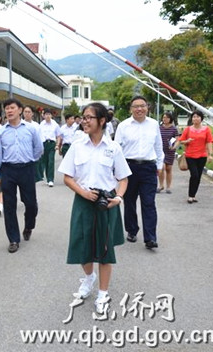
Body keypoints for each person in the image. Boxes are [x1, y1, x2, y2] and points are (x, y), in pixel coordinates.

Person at [58, 102, 130, 314]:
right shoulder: (77, 146)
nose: (84, 121)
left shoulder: (113, 148)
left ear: (102, 121)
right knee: (83, 248)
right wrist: (83, 193)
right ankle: (89, 278)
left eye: (89, 117)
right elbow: (68, 177)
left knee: (105, 251)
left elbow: (123, 178)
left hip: (106, 203)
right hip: (83, 201)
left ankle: (102, 293)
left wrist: (118, 198)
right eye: (83, 117)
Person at [0, 98, 43, 253]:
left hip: (26, 169)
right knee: (9, 206)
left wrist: (31, 160)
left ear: (20, 110)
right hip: (8, 170)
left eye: (12, 107)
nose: (9, 110)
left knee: (31, 204)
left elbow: (38, 148)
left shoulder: (31, 129)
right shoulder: (1, 132)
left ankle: (29, 226)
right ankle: (13, 239)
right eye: (6, 108)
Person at [114, 96, 164, 249]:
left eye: (142, 106)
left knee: (149, 203)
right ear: (131, 109)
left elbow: (158, 146)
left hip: (149, 167)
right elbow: (117, 148)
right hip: (129, 167)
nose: (139, 109)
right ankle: (132, 230)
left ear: (147, 107)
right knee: (129, 201)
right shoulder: (123, 126)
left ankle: (150, 237)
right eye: (136, 106)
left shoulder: (154, 124)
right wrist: (117, 170)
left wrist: (159, 165)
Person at [174, 110, 213, 203]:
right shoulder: (188, 129)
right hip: (190, 155)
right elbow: (181, 140)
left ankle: (193, 195)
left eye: (197, 117)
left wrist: (210, 155)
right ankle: (190, 196)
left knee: (198, 176)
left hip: (202, 156)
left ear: (201, 118)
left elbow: (209, 142)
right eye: (194, 117)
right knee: (194, 174)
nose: (195, 118)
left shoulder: (206, 129)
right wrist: (187, 141)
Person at [39, 108, 62, 187]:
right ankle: (48, 178)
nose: (48, 116)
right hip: (44, 144)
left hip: (52, 144)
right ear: (44, 116)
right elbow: (39, 136)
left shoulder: (55, 124)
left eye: (49, 114)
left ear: (51, 115)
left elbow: (58, 136)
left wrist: (57, 145)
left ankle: (51, 180)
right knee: (45, 162)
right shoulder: (41, 124)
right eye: (46, 114)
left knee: (51, 161)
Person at [157, 112, 179, 194]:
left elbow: (177, 139)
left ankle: (168, 187)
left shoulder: (174, 129)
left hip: (170, 151)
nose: (164, 119)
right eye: (163, 117)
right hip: (160, 151)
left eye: (166, 117)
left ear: (170, 119)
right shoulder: (159, 128)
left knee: (168, 169)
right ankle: (161, 185)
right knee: (161, 168)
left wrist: (174, 146)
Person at [22, 105, 43, 182]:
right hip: (23, 154)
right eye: (25, 112)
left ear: (32, 114)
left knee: (33, 178)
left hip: (33, 154)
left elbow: (40, 140)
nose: (27, 114)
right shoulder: (20, 124)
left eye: (29, 112)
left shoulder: (36, 126)